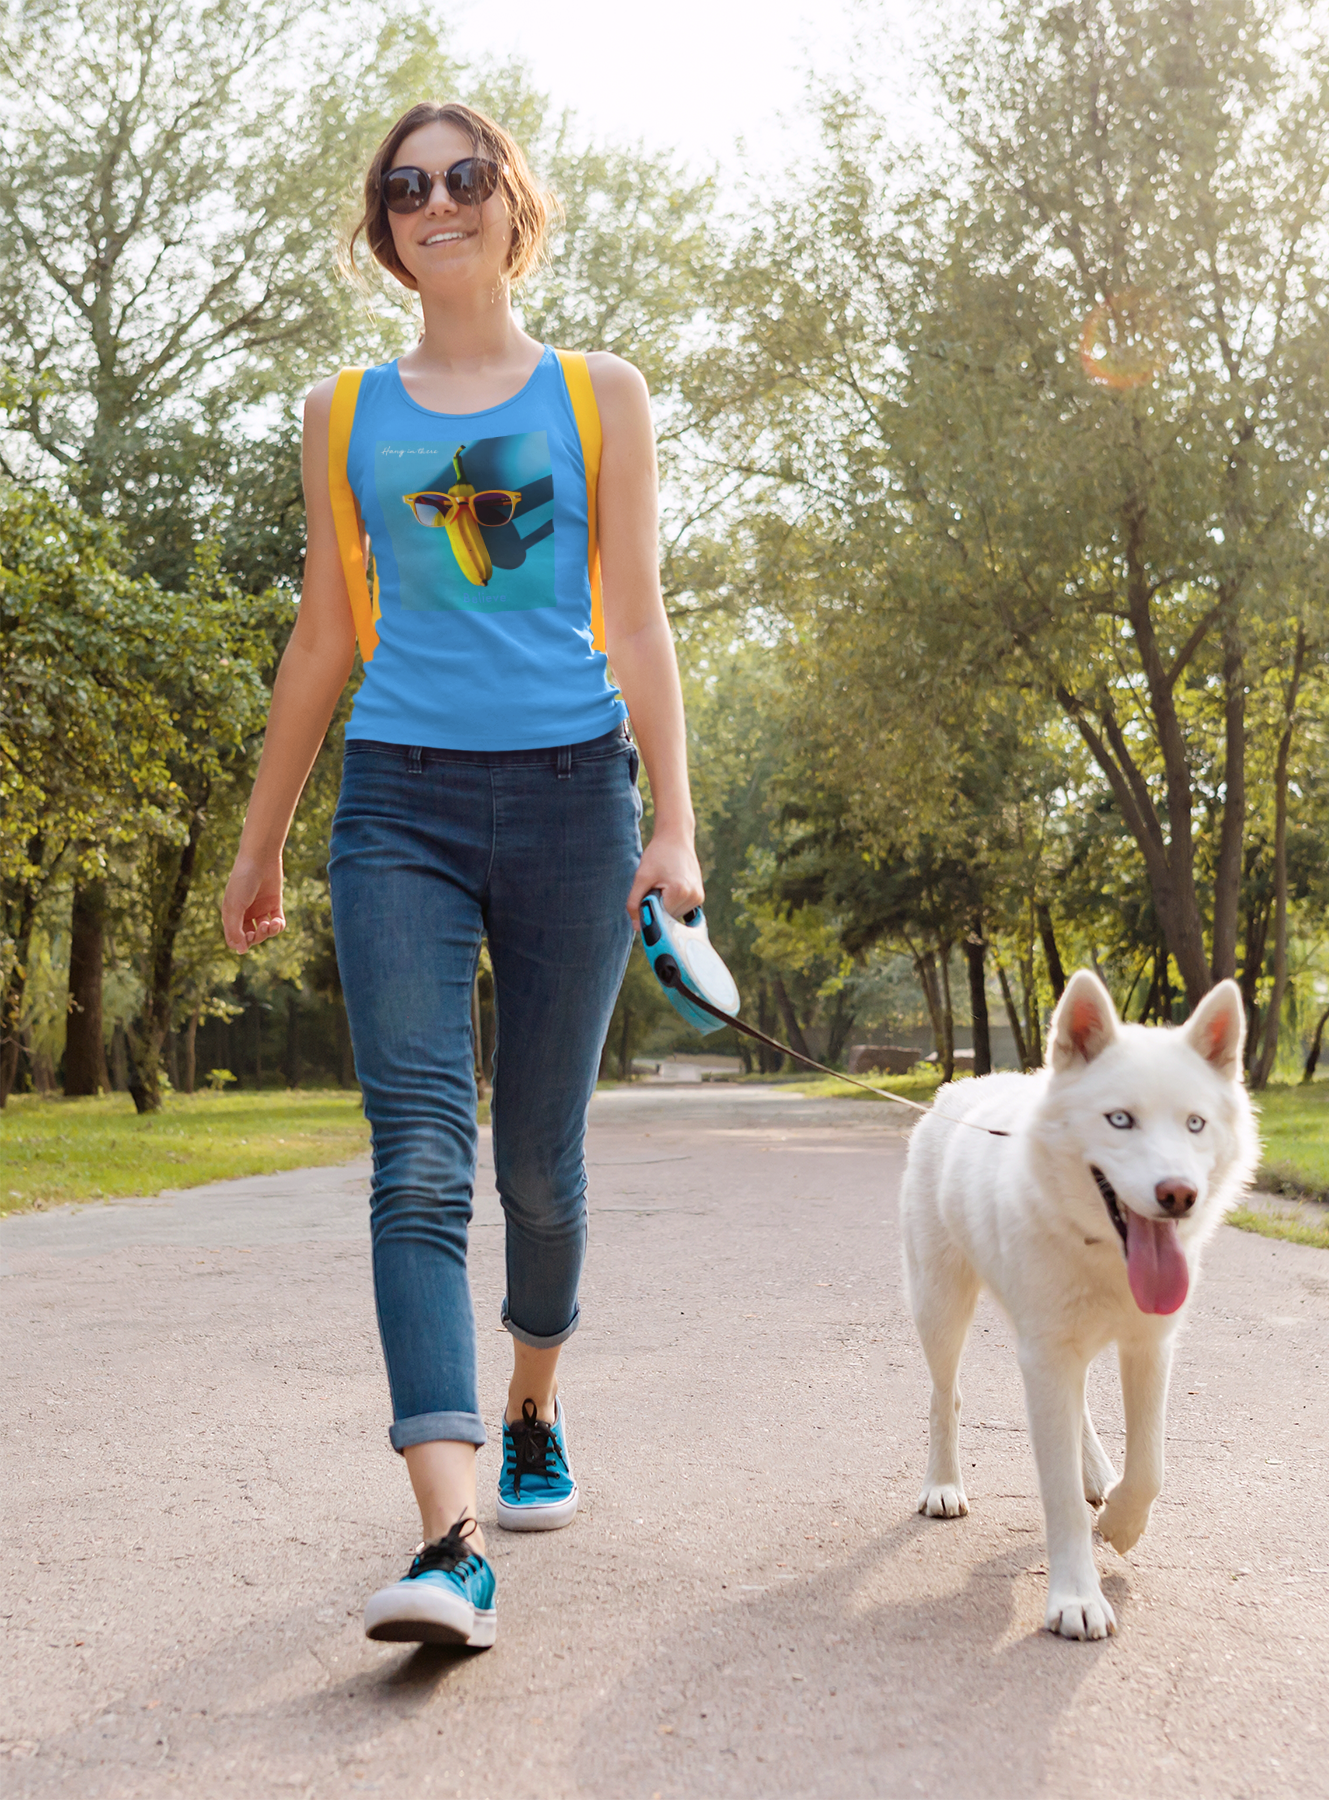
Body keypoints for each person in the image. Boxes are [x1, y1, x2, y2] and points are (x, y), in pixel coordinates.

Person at [221, 99, 702, 1650]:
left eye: (465, 176)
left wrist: (672, 826)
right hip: (401, 812)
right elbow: (326, 636)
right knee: (419, 1154)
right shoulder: (343, 410)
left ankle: (535, 1408)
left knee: (539, 1168)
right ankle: (448, 1539)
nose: (438, 201)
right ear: (386, 227)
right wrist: (264, 835)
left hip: (575, 804)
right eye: (406, 186)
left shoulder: (596, 393)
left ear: (514, 204)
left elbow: (634, 621)